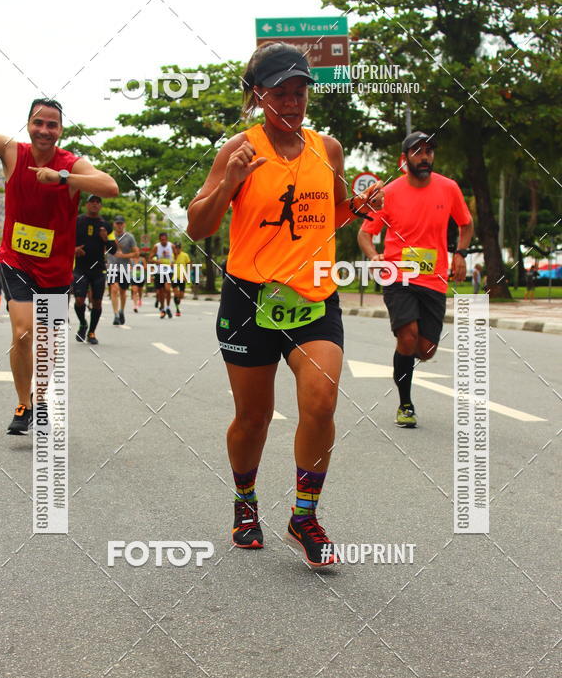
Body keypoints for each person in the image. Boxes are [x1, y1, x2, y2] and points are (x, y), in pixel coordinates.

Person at [187, 42, 383, 568]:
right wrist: (230, 182)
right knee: (254, 418)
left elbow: (331, 214)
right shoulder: (238, 150)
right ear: (257, 97)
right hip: (251, 298)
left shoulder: (329, 149)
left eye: (300, 93)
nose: (292, 104)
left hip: (315, 295)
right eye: (280, 94)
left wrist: (358, 206)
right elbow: (198, 225)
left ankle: (304, 515)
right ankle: (245, 502)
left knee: (320, 402)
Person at [0, 98, 118, 434]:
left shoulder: (72, 165)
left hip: (57, 269)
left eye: (52, 124)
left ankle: (41, 397)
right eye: (38, 123)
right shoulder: (11, 153)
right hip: (16, 261)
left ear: (60, 130)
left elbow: (110, 186)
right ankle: (23, 402)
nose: (44, 130)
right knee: (22, 333)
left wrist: (62, 178)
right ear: (28, 125)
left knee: (46, 342)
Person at [358, 130, 473, 428]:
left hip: (434, 280)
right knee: (407, 336)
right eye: (418, 151)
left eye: (429, 151)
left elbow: (466, 224)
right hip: (399, 276)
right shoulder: (390, 193)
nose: (425, 157)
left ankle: (405, 357)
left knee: (426, 349)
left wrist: (460, 253)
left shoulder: (448, 189)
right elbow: (364, 234)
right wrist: (374, 256)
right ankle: (405, 404)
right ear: (404, 158)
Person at [73, 194, 114, 344]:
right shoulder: (77, 221)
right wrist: (74, 249)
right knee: (79, 300)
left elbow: (113, 249)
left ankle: (91, 332)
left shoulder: (106, 225)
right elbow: (65, 240)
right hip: (80, 268)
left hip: (98, 269)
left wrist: (105, 239)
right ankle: (83, 323)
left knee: (97, 302)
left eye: (98, 202)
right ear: (87, 205)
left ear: (100, 206)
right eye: (92, 202)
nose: (95, 204)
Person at [107, 216, 138, 325]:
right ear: (114, 224)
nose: (119, 225)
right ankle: (115, 315)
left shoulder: (129, 237)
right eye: (117, 223)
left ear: (124, 224)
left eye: (121, 223)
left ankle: (121, 311)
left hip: (124, 268)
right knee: (114, 289)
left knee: (123, 292)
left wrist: (124, 255)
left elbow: (136, 253)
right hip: (112, 267)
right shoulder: (109, 236)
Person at [153, 231, 174, 318]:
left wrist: (174, 262)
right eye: (162, 240)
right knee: (161, 292)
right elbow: (150, 258)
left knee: (167, 289)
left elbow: (177, 256)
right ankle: (162, 309)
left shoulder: (171, 246)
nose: (163, 241)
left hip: (168, 271)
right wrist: (156, 261)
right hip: (159, 272)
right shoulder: (156, 247)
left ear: (167, 239)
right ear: (159, 240)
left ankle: (168, 307)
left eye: (165, 239)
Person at [172, 241, 190, 315]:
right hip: (174, 277)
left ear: (181, 248)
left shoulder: (185, 255)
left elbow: (188, 265)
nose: (177, 249)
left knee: (181, 295)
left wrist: (187, 275)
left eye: (179, 248)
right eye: (176, 248)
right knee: (176, 294)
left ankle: (178, 301)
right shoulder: (172, 256)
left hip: (182, 277)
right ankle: (177, 310)